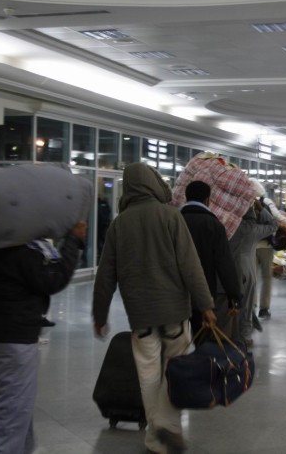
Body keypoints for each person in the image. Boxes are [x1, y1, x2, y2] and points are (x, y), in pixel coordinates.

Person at [92, 163, 217, 454]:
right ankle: (164, 426)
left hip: (141, 315)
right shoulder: (171, 216)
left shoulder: (119, 224)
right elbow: (190, 265)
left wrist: (100, 314)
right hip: (174, 312)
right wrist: (206, 305)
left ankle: (156, 434)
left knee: (148, 373)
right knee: (174, 371)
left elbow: (105, 275)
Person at [0, 220, 87, 454]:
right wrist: (74, 241)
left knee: (16, 412)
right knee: (10, 417)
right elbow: (52, 278)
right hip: (14, 340)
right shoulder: (19, 248)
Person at [180, 180, 242, 339]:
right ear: (208, 199)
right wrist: (233, 296)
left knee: (176, 342)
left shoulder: (175, 220)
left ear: (186, 197)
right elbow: (225, 263)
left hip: (176, 292)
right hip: (204, 293)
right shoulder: (214, 225)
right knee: (202, 338)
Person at [228, 201, 277, 346]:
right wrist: (261, 209)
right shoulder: (252, 229)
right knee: (247, 304)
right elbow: (273, 225)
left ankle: (229, 333)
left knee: (229, 302)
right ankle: (245, 336)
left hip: (228, 268)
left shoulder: (227, 225)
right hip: (246, 269)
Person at [249, 178, 286, 319]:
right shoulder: (266, 202)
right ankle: (264, 308)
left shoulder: (245, 202)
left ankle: (251, 308)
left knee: (251, 278)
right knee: (267, 278)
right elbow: (277, 217)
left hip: (249, 246)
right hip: (265, 246)